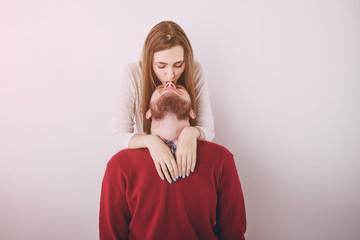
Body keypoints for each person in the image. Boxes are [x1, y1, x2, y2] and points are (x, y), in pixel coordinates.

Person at [100, 83, 246, 239]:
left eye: (180, 88)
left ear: (192, 113)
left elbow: (233, 232)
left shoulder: (220, 159)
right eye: (159, 88)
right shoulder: (120, 165)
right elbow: (111, 235)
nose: (170, 83)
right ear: (148, 113)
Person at [111, 21, 215, 183]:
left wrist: (191, 133)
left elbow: (208, 129)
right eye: (161, 66)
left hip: (189, 159)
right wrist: (151, 142)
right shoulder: (132, 74)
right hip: (149, 161)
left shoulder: (195, 70)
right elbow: (118, 135)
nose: (170, 75)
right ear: (149, 62)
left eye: (178, 65)